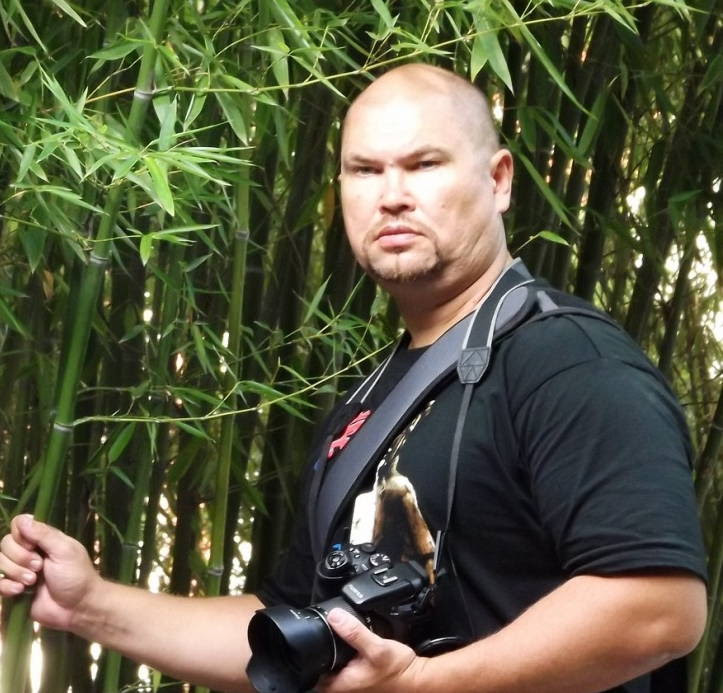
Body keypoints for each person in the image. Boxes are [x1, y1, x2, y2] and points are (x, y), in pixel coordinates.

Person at [0, 64, 707, 693]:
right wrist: (89, 604)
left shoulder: (568, 362)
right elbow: (284, 627)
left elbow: (656, 607)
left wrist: (426, 684)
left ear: (498, 180)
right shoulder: (370, 400)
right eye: (365, 171)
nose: (391, 195)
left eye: (423, 164)